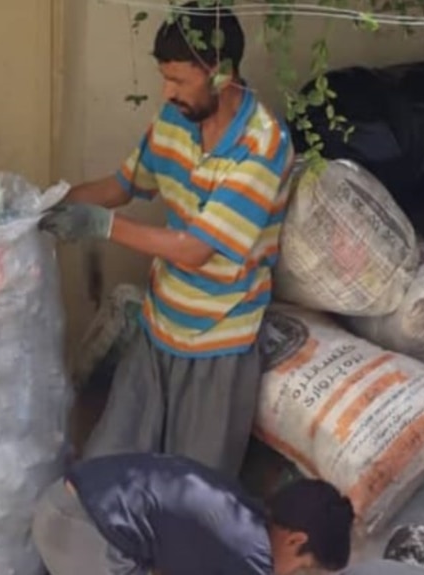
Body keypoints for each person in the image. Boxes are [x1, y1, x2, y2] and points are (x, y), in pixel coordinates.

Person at [38, 1, 294, 478]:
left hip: (219, 341)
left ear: (221, 74)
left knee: (189, 492)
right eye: (164, 78)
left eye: (178, 80)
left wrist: (103, 226)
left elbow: (197, 249)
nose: (166, 91)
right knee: (105, 470)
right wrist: (46, 204)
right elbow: (122, 185)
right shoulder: (175, 120)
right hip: (160, 325)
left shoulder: (263, 146)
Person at [32, 452, 353, 575]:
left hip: (66, 502)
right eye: (304, 570)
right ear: (295, 539)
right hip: (79, 528)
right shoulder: (252, 556)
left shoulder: (242, 511)